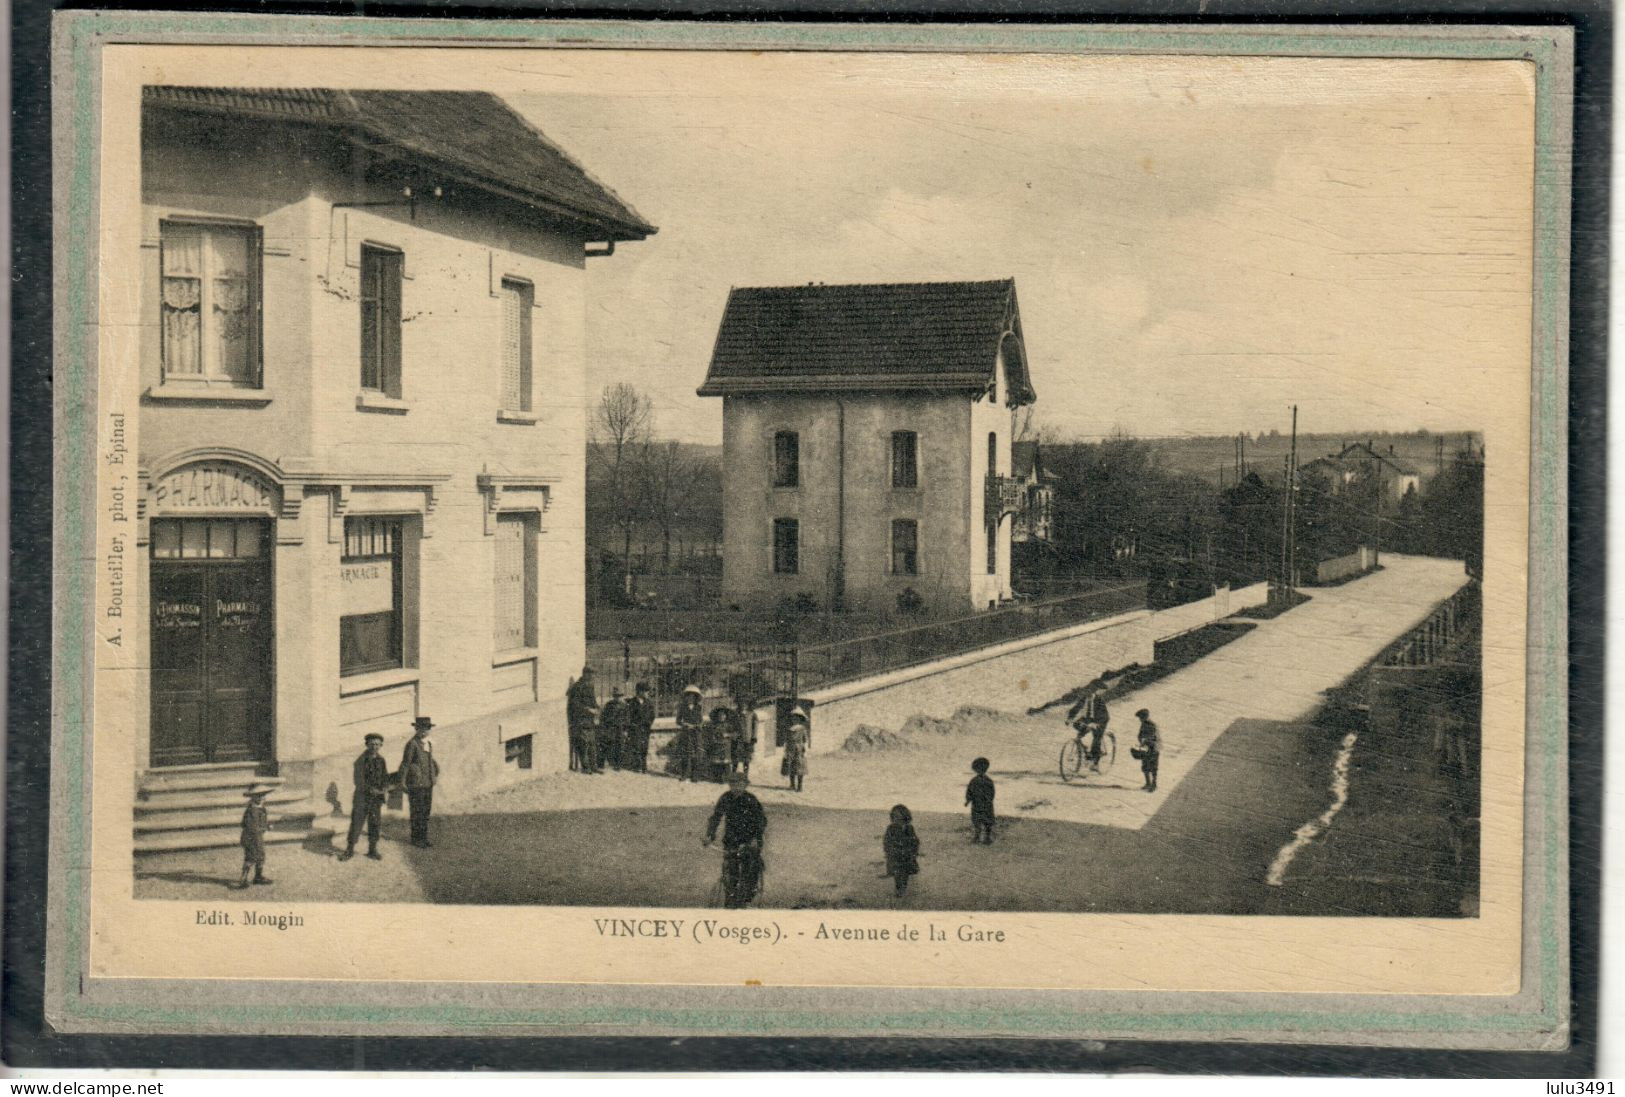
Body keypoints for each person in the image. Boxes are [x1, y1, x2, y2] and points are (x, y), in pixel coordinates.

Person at [704, 772, 767, 908]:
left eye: (739, 784)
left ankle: (748, 896)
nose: (736, 788)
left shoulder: (751, 799)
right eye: (733, 784)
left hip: (750, 838)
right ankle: (730, 899)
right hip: (732, 839)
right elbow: (716, 817)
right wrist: (710, 835)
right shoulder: (725, 798)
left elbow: (761, 820)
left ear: (745, 785)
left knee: (749, 867)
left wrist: (755, 838)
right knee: (729, 870)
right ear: (729, 785)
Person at [338, 733, 389, 862]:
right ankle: (349, 850)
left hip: (376, 799)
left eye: (377, 744)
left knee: (375, 823)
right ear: (366, 745)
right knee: (356, 823)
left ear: (381, 746)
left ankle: (372, 850)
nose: (375, 747)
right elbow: (358, 781)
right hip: (362, 798)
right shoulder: (360, 760)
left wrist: (384, 788)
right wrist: (370, 789)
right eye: (372, 744)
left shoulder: (381, 760)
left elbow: (385, 777)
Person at [398, 716, 440, 847]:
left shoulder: (428, 743)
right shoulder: (412, 744)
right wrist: (402, 781)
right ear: (416, 729)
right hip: (416, 783)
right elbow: (405, 763)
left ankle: (424, 837)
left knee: (426, 811)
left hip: (427, 782)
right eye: (421, 729)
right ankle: (416, 839)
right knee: (417, 812)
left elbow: (431, 761)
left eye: (427, 729)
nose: (424, 731)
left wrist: (435, 774)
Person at [236, 783, 277, 889]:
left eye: (263, 795)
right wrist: (263, 828)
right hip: (250, 837)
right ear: (253, 797)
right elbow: (249, 825)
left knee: (260, 855)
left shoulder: (260, 808)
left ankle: (258, 877)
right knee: (250, 857)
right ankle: (243, 879)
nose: (262, 797)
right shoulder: (251, 810)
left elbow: (261, 822)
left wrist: (267, 826)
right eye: (258, 795)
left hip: (257, 836)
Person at [1067, 681, 1111, 770]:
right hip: (1088, 719)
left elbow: (1105, 715)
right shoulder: (1084, 699)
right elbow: (1075, 708)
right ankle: (1084, 748)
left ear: (1094, 692)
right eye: (1087, 691)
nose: (1088, 694)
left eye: (1091, 692)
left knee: (1096, 739)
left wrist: (1096, 723)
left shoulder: (1099, 700)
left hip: (1100, 721)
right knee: (1077, 726)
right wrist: (1069, 718)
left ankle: (1095, 764)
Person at [882, 804, 921, 899]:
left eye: (899, 816)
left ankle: (903, 888)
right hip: (895, 855)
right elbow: (887, 841)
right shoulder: (891, 828)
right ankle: (899, 889)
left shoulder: (909, 828)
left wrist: (914, 851)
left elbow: (915, 840)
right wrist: (889, 851)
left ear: (905, 816)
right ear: (892, 817)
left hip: (907, 855)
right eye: (895, 816)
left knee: (905, 873)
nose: (897, 819)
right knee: (897, 874)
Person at [566, 667, 600, 774]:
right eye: (591, 674)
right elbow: (575, 705)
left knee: (592, 745)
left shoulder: (590, 687)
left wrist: (597, 708)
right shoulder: (577, 687)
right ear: (585, 674)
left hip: (589, 721)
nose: (593, 677)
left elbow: (593, 702)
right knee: (583, 744)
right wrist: (588, 710)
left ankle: (594, 767)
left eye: (593, 675)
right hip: (580, 721)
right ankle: (586, 768)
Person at [675, 685, 705, 782]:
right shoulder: (682, 707)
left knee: (696, 755)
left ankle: (694, 776)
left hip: (696, 733)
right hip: (686, 733)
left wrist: (696, 726)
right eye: (689, 696)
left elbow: (701, 721)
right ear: (686, 697)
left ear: (696, 698)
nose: (690, 698)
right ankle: (684, 774)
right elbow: (678, 721)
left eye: (693, 696)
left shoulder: (698, 708)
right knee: (685, 754)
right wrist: (685, 724)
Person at [624, 681, 656, 772]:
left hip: (645, 728)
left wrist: (649, 723)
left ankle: (643, 767)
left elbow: (652, 715)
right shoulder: (632, 702)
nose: (647, 693)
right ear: (640, 692)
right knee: (636, 747)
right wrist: (630, 726)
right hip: (635, 728)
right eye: (646, 691)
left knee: (644, 747)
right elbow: (628, 716)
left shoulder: (649, 703)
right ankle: (637, 767)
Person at [965, 757, 995, 844]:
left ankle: (986, 838)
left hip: (983, 804)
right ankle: (979, 837)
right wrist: (968, 800)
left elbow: (991, 792)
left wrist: (968, 800)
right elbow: (970, 791)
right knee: (978, 821)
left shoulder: (983, 781)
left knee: (986, 822)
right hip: (980, 804)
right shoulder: (984, 780)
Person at [600, 686, 630, 772]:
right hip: (610, 728)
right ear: (613, 696)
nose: (617, 698)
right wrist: (605, 727)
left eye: (619, 696)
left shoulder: (625, 706)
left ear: (621, 696)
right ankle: (609, 763)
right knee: (610, 745)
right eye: (616, 696)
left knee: (620, 746)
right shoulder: (609, 705)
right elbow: (603, 716)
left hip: (620, 728)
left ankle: (618, 765)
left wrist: (625, 730)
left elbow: (627, 719)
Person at [781, 707, 809, 792]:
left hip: (799, 749)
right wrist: (785, 750)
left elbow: (805, 740)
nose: (794, 719)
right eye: (793, 717)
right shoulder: (789, 729)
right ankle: (792, 784)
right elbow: (786, 740)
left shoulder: (802, 729)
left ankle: (800, 786)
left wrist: (805, 750)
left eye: (797, 718)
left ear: (800, 719)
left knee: (799, 767)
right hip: (790, 749)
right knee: (791, 766)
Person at [1133, 708, 1161, 792]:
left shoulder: (1152, 725)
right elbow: (1139, 735)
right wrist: (1141, 741)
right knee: (1145, 766)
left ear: (1145, 717)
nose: (1140, 720)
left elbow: (1154, 737)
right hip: (1146, 748)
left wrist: (1145, 740)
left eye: (1141, 718)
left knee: (1153, 767)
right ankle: (1148, 783)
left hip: (1154, 748)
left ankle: (1154, 784)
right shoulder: (1143, 724)